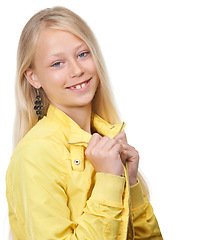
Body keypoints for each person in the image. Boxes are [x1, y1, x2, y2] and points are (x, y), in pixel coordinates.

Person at [5, 6, 163, 240]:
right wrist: (108, 181)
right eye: (57, 63)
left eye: (82, 54)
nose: (78, 70)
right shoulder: (35, 154)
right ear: (33, 77)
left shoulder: (107, 140)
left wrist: (129, 184)